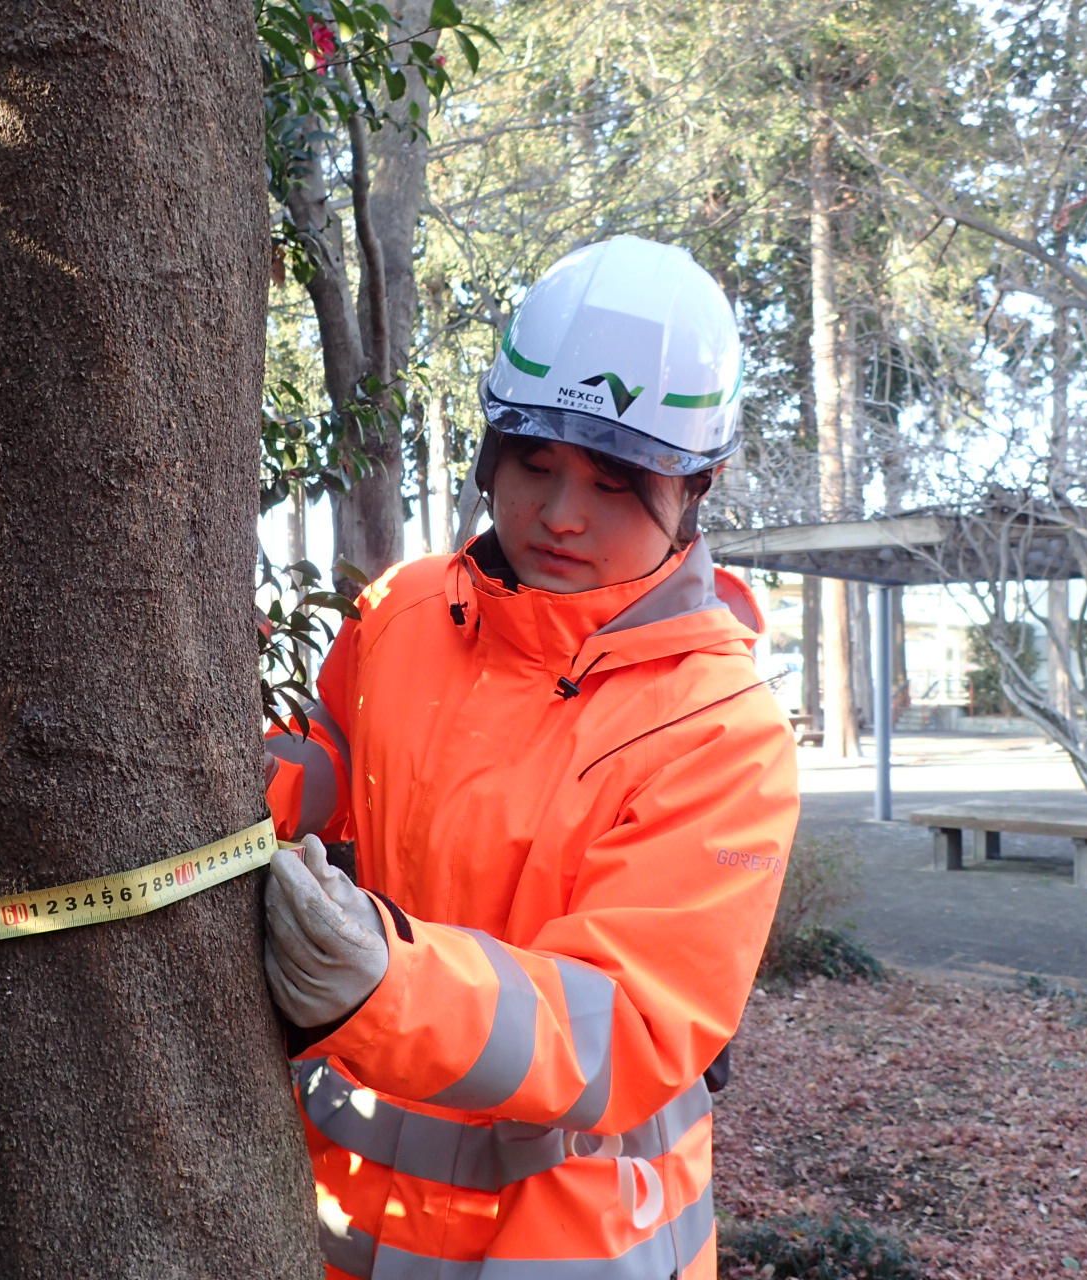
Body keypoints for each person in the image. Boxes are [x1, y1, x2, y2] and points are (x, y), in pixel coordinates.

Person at [261, 235, 799, 1280]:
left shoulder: (719, 728)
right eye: (536, 464)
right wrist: (263, 781)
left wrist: (381, 982)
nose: (560, 514)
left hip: (569, 1243)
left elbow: (632, 1023)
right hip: (340, 1218)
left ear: (696, 487)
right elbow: (341, 748)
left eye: (613, 483)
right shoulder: (406, 608)